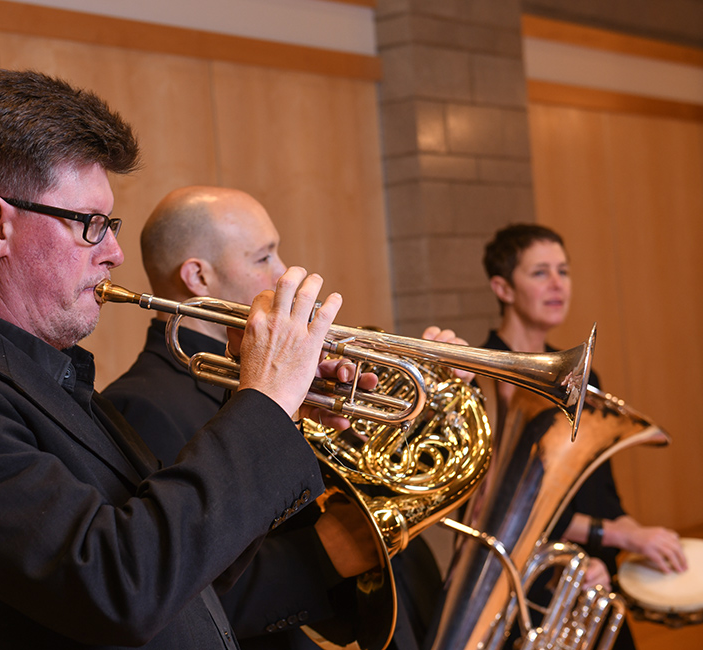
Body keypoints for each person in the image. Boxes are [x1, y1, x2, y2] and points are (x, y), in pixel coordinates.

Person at [0, 69, 377, 650]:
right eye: (90, 226)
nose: (115, 253)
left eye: (111, 226)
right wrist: (263, 406)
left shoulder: (60, 382)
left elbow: (187, 570)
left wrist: (277, 412)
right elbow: (120, 586)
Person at [103, 186, 454, 650]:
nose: (280, 272)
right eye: (262, 257)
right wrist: (324, 554)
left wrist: (429, 407)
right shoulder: (141, 403)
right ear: (197, 277)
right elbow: (184, 591)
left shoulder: (284, 375)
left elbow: (372, 484)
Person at [481, 223, 688, 650]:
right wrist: (618, 536)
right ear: (502, 288)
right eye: (540, 273)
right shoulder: (482, 380)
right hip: (515, 586)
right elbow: (495, 510)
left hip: (586, 569)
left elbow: (601, 497)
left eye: (564, 270)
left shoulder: (583, 378)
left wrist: (643, 540)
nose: (558, 284)